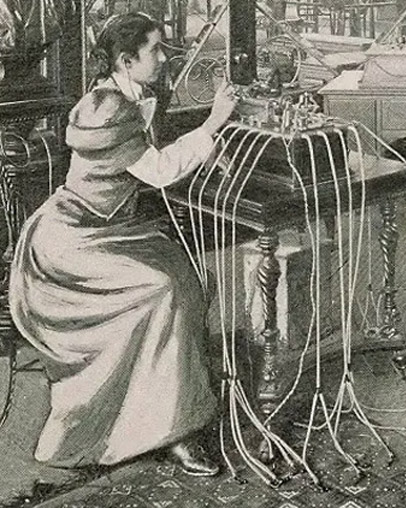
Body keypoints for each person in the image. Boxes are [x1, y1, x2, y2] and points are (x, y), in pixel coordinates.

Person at [8, 12, 237, 476]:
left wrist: (210, 153)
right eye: (155, 49)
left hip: (110, 230)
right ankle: (170, 431)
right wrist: (213, 123)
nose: (164, 57)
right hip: (69, 241)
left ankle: (157, 415)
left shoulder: (131, 97)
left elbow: (145, 158)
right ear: (126, 60)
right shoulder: (104, 108)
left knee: (186, 279)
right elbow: (156, 170)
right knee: (163, 290)